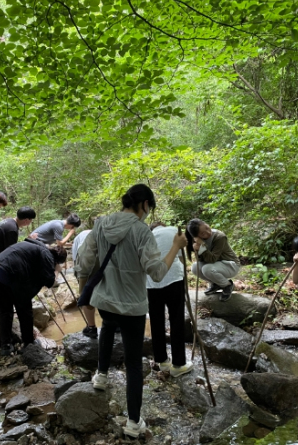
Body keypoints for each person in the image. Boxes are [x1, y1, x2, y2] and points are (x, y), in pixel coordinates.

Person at [78, 184, 187, 438]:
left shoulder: (101, 224)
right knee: (134, 363)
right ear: (146, 205)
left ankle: (101, 377)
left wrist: (88, 289)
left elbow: (85, 262)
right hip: (133, 307)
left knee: (106, 329)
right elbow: (158, 273)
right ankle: (134, 423)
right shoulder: (141, 232)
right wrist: (176, 246)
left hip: (105, 300)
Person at [0, 239, 67, 355]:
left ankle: (6, 346)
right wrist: (57, 270)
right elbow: (50, 282)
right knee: (24, 308)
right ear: (57, 261)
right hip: (10, 271)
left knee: (5, 310)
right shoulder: (48, 256)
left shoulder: (38, 247)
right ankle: (29, 342)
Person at [146, 222, 193, 377]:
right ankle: (178, 365)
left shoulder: (146, 237)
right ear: (163, 225)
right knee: (176, 320)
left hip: (152, 283)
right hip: (173, 280)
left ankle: (162, 360)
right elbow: (180, 258)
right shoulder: (175, 231)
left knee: (156, 320)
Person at [186, 219, 240, 301]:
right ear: (197, 236)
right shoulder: (199, 240)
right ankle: (216, 284)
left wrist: (202, 247)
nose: (208, 232)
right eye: (203, 233)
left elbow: (212, 259)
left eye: (207, 228)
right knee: (194, 267)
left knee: (206, 269)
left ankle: (227, 285)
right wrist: (197, 249)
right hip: (217, 265)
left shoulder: (219, 237)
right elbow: (200, 260)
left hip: (230, 265)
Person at [72, 228, 98, 338]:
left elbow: (76, 258)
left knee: (87, 294)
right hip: (106, 260)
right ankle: (113, 324)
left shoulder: (81, 236)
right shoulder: (107, 233)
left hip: (85, 261)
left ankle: (91, 327)